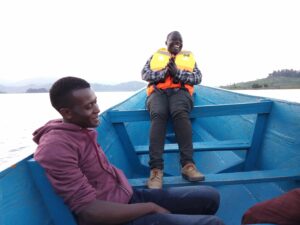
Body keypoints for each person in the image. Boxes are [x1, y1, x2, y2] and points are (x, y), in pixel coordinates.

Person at [33, 76, 225, 225]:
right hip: (112, 218)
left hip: (127, 197)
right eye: (89, 106)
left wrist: (144, 205)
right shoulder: (56, 147)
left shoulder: (79, 128)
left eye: (95, 102)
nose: (97, 109)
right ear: (66, 112)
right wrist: (149, 208)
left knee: (210, 197)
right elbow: (88, 212)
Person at [141, 31, 204, 189]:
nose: (177, 43)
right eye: (173, 41)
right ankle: (156, 170)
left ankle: (188, 165)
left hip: (180, 92)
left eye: (180, 41)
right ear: (166, 42)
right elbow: (145, 74)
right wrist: (164, 73)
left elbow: (198, 78)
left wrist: (179, 74)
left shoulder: (189, 58)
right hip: (158, 93)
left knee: (179, 113)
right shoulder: (155, 56)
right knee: (158, 115)